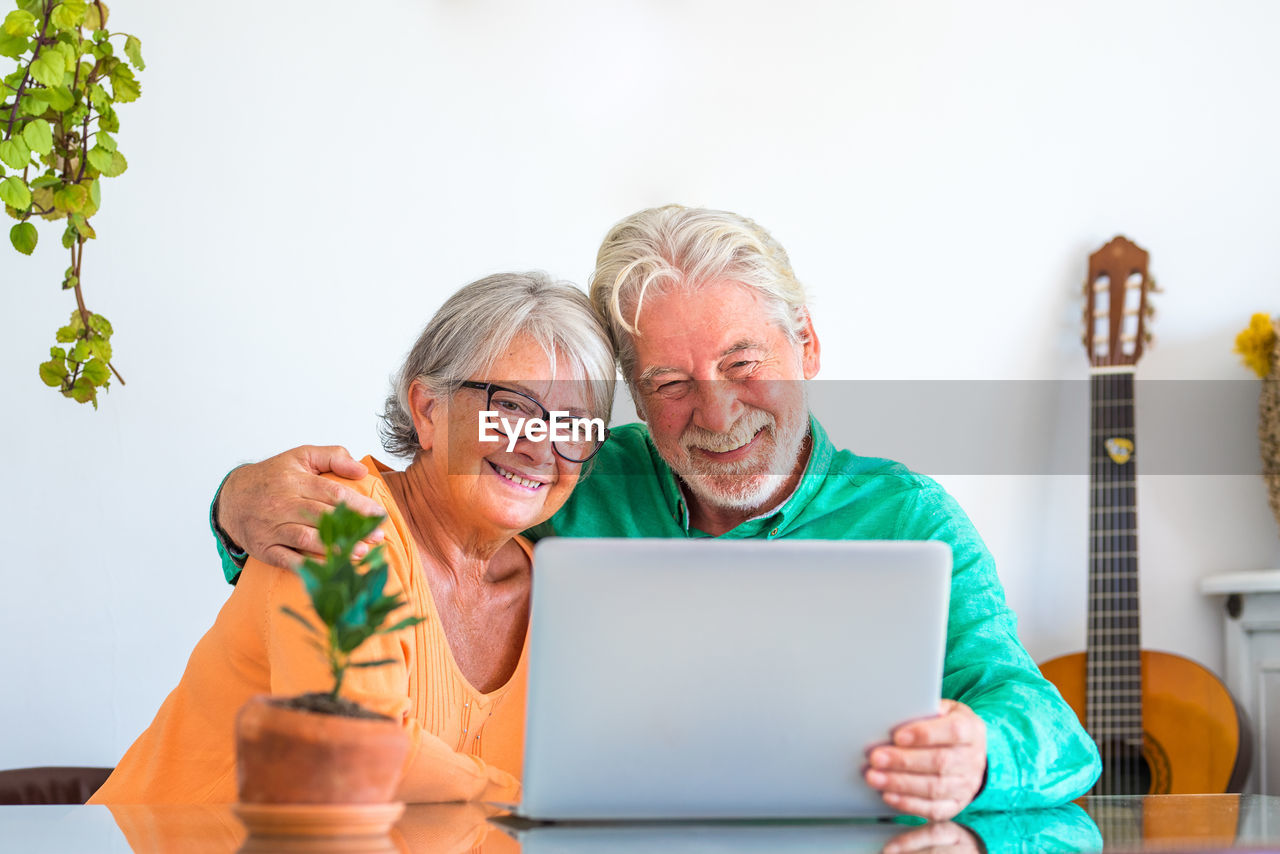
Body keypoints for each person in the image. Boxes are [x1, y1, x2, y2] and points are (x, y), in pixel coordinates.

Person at [211, 206, 1102, 819]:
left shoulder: (906, 515)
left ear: (810, 348)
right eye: (671, 383)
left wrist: (981, 752)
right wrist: (236, 506)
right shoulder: (573, 475)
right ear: (635, 395)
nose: (716, 413)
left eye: (745, 364)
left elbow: (1053, 726)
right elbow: (411, 528)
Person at [90, 272, 616, 804]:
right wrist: (526, 803)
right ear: (428, 409)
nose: (539, 446)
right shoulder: (338, 523)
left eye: (572, 424)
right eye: (512, 407)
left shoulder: (553, 593)